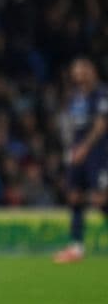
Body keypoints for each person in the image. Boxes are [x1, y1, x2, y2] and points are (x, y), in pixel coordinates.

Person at [54, 57, 108, 263]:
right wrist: (71, 149)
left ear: (91, 71)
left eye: (82, 69)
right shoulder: (75, 97)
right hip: (77, 153)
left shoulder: (100, 93)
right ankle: (76, 248)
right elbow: (70, 125)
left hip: (97, 154)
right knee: (74, 196)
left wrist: (85, 148)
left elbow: (101, 124)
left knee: (100, 199)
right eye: (75, 70)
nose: (79, 73)